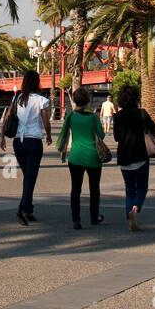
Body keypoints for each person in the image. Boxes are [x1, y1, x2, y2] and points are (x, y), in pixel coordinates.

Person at [0, 70, 52, 225]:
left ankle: (28, 209)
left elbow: (7, 117)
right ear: (37, 82)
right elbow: (46, 121)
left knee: (27, 175)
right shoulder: (41, 100)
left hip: (18, 142)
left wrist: (2, 137)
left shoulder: (17, 98)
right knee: (30, 176)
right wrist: (48, 135)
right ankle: (22, 208)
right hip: (34, 141)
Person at [110, 84, 155, 231]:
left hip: (124, 156)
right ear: (136, 98)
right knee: (142, 186)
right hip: (141, 155)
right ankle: (136, 208)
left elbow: (117, 137)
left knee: (129, 187)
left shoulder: (118, 116)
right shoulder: (141, 113)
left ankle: (128, 214)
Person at [57, 86, 106, 229]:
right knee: (94, 189)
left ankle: (76, 220)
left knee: (75, 189)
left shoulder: (71, 117)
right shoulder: (93, 117)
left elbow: (64, 133)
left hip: (76, 157)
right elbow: (101, 135)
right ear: (87, 100)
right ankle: (94, 217)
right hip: (93, 157)